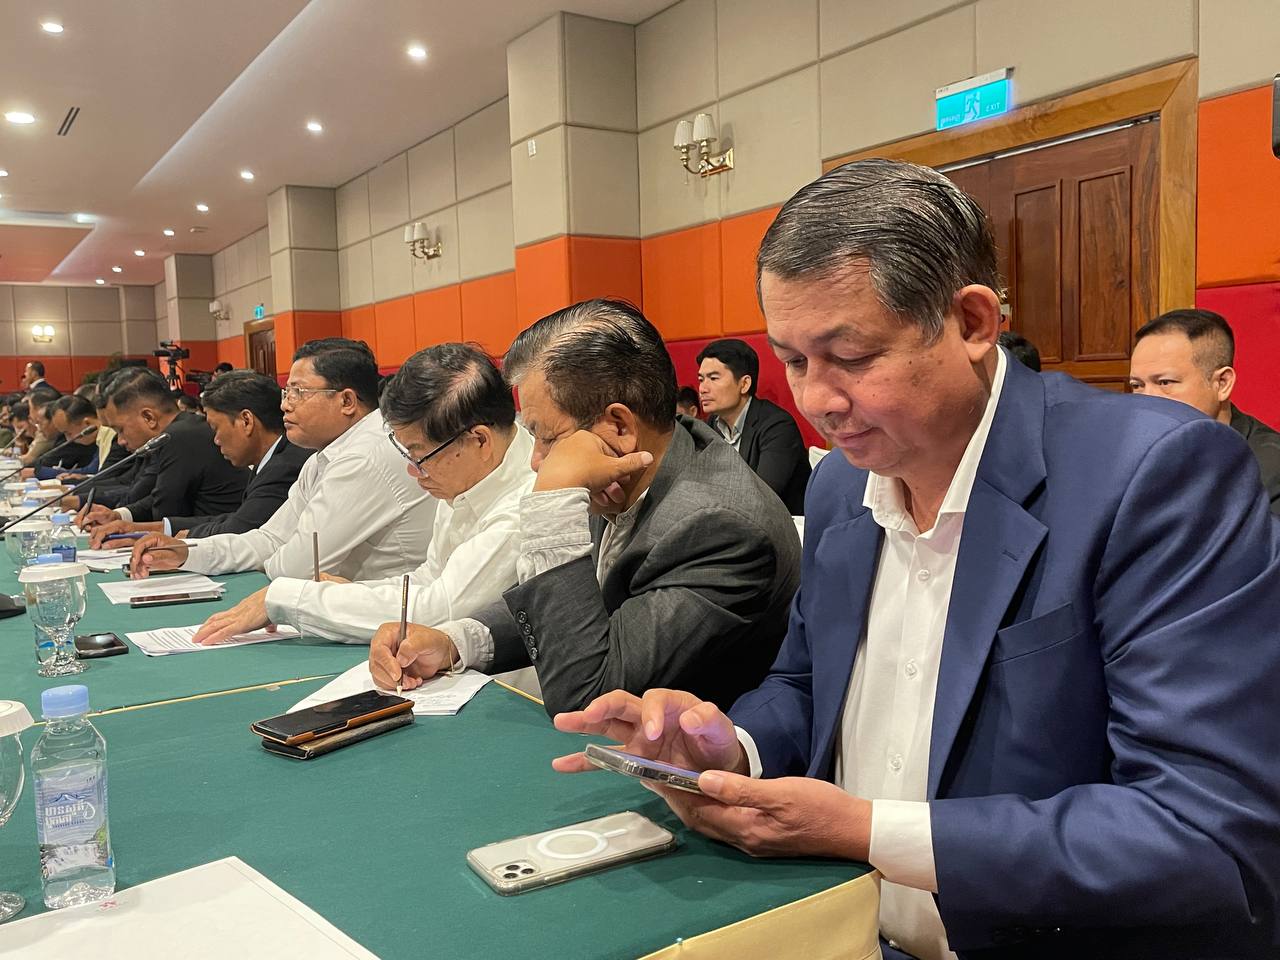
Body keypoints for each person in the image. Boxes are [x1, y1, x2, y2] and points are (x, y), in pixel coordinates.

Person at [552, 160, 1280, 960]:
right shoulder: (842, 487)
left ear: (972, 322)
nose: (818, 401)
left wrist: (867, 831)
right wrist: (727, 748)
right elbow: (808, 685)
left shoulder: (1155, 474)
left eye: (851, 355)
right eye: (794, 360)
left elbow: (1203, 829)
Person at [367, 299, 801, 716]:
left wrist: (553, 503)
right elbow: (572, 608)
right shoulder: (627, 466)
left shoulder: (718, 527)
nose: (537, 461)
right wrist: (454, 642)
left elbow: (586, 693)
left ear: (619, 425)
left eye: (548, 438)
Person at [190, 344, 534, 645]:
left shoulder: (522, 503)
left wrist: (294, 598)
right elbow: (428, 578)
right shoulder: (466, 474)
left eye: (420, 456)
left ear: (479, 441)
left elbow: (439, 610)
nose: (414, 472)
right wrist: (349, 593)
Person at [124, 338, 436, 582]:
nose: (285, 405)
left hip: (388, 621)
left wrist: (271, 556)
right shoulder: (323, 456)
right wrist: (188, 553)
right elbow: (271, 537)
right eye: (286, 393)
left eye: (298, 392)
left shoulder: (366, 455)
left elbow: (297, 567)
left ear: (346, 401)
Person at [86, 371, 311, 543]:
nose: (216, 440)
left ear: (246, 421)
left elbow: (242, 528)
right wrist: (140, 527)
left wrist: (183, 537)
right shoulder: (272, 459)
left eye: (216, 428)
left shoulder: (285, 464)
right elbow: (235, 518)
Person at [1129, 308, 1280, 516]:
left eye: (1165, 382)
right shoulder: (1132, 456)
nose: (1147, 401)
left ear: (1222, 383)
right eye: (1137, 385)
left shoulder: (1270, 468)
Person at [69, 368, 247, 526]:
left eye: (120, 430)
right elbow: (155, 498)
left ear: (149, 417)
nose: (120, 441)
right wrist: (118, 516)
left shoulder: (179, 437)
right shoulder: (176, 431)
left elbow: (164, 512)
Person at [696, 338, 811, 514]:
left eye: (713, 378)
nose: (703, 389)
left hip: (781, 524)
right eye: (701, 379)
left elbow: (761, 498)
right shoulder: (711, 426)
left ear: (744, 384)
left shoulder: (777, 426)